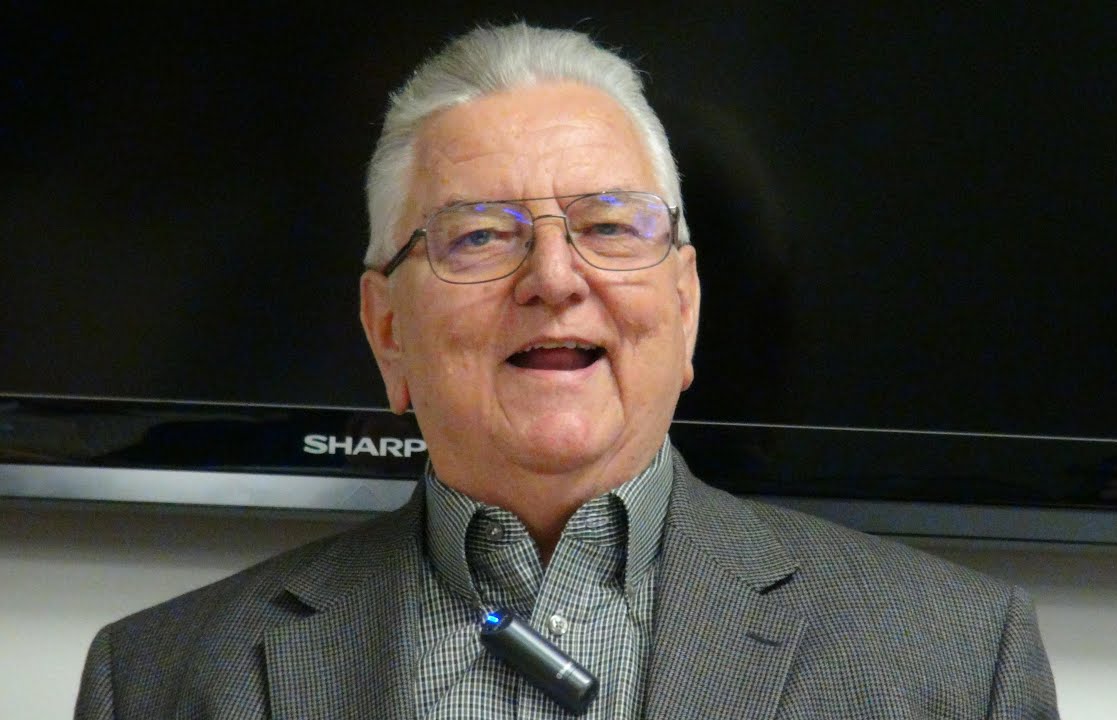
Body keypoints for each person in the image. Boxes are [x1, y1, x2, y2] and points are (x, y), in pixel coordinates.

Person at [75, 22, 1058, 719]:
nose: (553, 277)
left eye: (608, 227)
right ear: (387, 332)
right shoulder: (160, 682)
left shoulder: (953, 663)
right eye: (477, 237)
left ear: (685, 306)